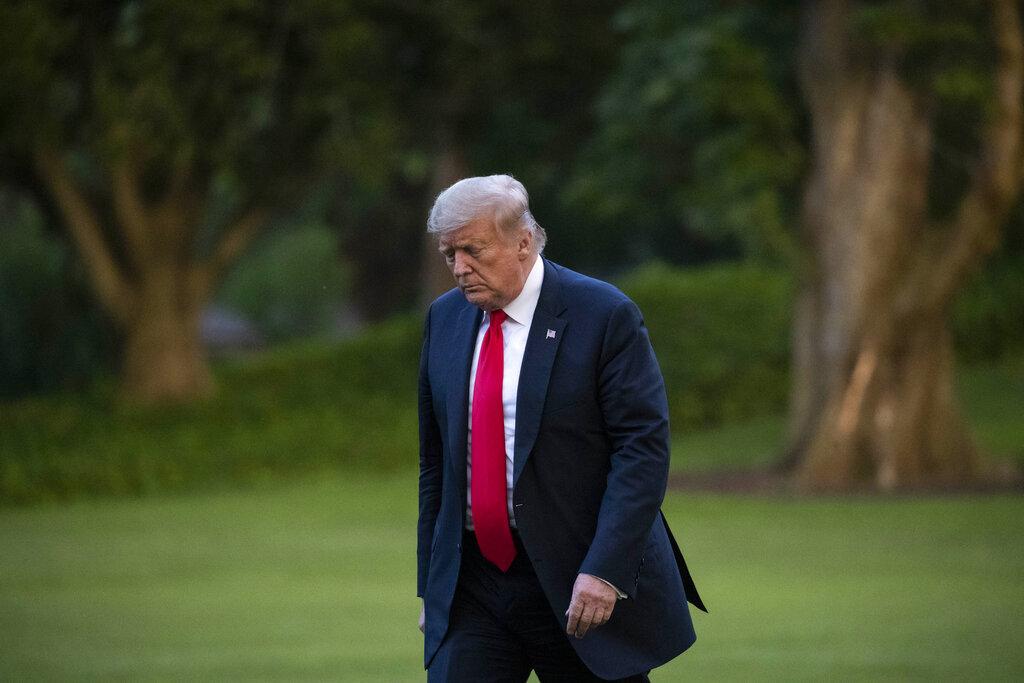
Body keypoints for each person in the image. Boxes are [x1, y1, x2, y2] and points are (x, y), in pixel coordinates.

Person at [417, 175, 705, 682]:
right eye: (449, 254)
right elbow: (436, 463)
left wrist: (606, 570)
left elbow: (642, 451)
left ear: (524, 241)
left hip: (576, 581)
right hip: (474, 585)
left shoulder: (602, 313)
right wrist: (432, 587)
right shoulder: (445, 319)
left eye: (473, 250)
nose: (460, 269)